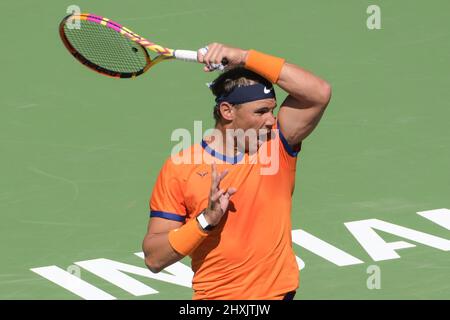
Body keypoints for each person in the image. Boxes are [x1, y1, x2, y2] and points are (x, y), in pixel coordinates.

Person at [142, 43, 332, 300]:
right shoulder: (180, 167)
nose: (270, 119)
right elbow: (154, 257)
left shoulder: (277, 144)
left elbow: (318, 92)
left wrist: (244, 57)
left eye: (273, 110)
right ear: (227, 111)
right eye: (261, 111)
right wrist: (205, 221)